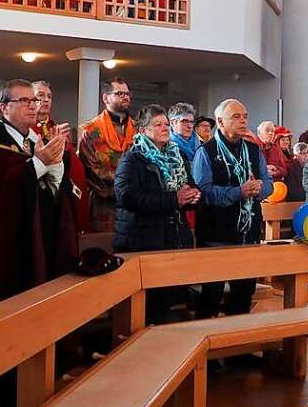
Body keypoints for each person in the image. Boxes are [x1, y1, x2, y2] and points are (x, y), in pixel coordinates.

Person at [0, 79, 79, 315]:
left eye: (34, 100)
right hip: (0, 245)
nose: (33, 106)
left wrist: (55, 169)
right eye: (24, 101)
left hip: (37, 236)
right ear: (3, 107)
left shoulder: (36, 139)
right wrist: (39, 164)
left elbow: (48, 196)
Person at [113, 105, 201, 322]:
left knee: (172, 302)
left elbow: (185, 187)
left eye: (166, 124)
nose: (165, 128)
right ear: (143, 130)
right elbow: (126, 197)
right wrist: (174, 199)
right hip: (143, 239)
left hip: (173, 236)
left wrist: (192, 197)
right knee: (152, 308)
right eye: (158, 124)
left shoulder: (176, 155)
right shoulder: (132, 159)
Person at [191, 98, 272, 318]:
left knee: (244, 295)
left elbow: (269, 183)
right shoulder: (205, 152)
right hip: (217, 235)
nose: (243, 121)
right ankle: (206, 346)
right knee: (211, 296)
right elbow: (203, 192)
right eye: (236, 117)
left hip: (248, 234)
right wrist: (239, 192)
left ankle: (237, 350)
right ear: (220, 121)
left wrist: (260, 188)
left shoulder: (254, 150)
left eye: (245, 116)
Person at [32, 80, 89, 233]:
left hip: (71, 192)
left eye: (49, 96)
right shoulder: (28, 131)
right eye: (40, 96)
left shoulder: (54, 127)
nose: (46, 100)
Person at [79, 77, 136, 231]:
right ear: (105, 98)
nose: (126, 97)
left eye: (127, 93)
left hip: (136, 203)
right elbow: (91, 170)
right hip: (104, 203)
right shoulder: (91, 130)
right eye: (120, 93)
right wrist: (124, 187)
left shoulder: (139, 129)